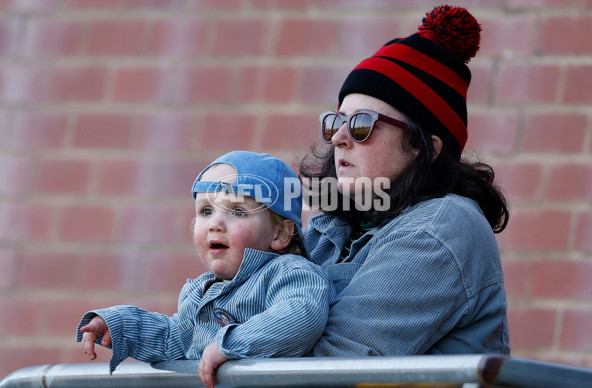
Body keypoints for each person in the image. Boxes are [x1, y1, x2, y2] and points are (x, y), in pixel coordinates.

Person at [299, 5, 510, 357]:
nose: (338, 138)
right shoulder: (329, 229)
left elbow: (329, 366)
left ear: (424, 148)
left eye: (362, 124)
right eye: (336, 122)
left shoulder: (439, 230)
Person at [76, 151, 334, 388]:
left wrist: (229, 345)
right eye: (206, 211)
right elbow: (173, 339)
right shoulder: (200, 292)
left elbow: (301, 315)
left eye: (238, 211)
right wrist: (118, 325)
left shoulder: (291, 273)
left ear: (280, 232)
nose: (215, 224)